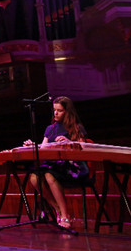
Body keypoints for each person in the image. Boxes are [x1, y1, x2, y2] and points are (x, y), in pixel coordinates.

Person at [23, 96, 89, 229]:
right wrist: (31, 145)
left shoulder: (76, 127)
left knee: (48, 175)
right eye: (54, 110)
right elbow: (43, 149)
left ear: (67, 112)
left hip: (72, 166)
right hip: (53, 165)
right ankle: (58, 208)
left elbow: (85, 148)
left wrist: (69, 142)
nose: (56, 113)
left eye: (60, 110)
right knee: (35, 178)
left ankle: (65, 216)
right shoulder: (50, 129)